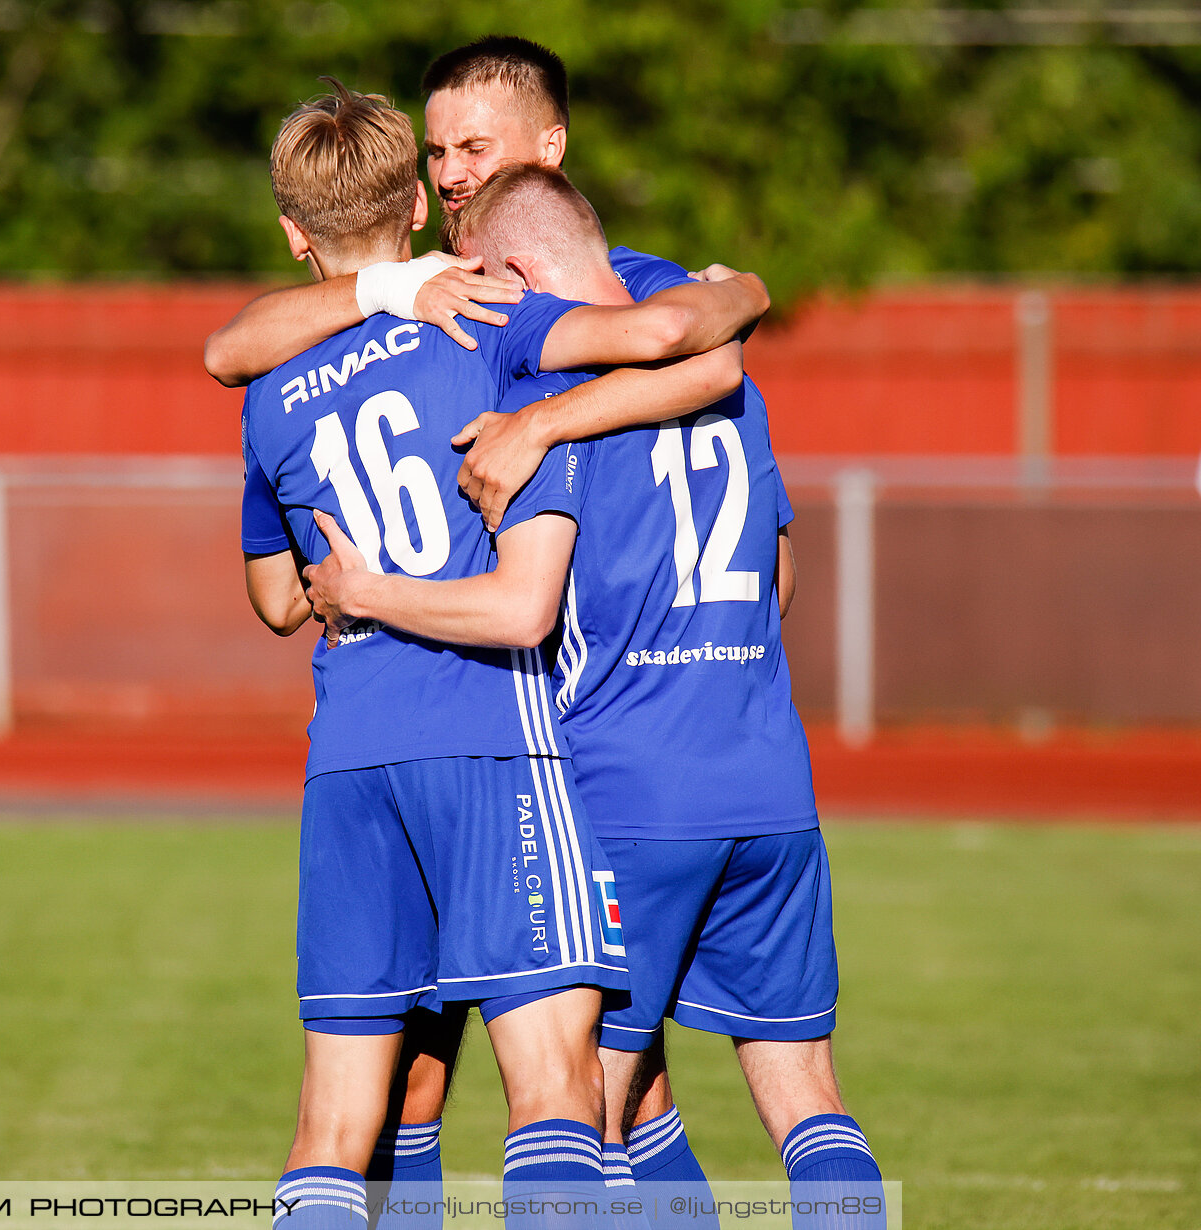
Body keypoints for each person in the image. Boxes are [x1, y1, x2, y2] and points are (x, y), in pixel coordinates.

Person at [208, 34, 773, 1202]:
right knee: (556, 1090)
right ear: (414, 200)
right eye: (441, 155)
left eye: (479, 148)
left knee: (350, 1113)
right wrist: (744, 291)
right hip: (497, 736)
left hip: (398, 746)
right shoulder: (489, 321)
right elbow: (680, 350)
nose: (458, 172)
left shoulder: (286, 384)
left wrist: (361, 576)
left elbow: (274, 595)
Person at [306, 164, 885, 1230]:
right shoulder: (726, 379)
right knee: (808, 1096)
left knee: (585, 1112)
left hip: (627, 787)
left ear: (519, 272)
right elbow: (782, 576)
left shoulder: (549, 406)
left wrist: (371, 591)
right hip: (769, 779)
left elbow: (522, 602)